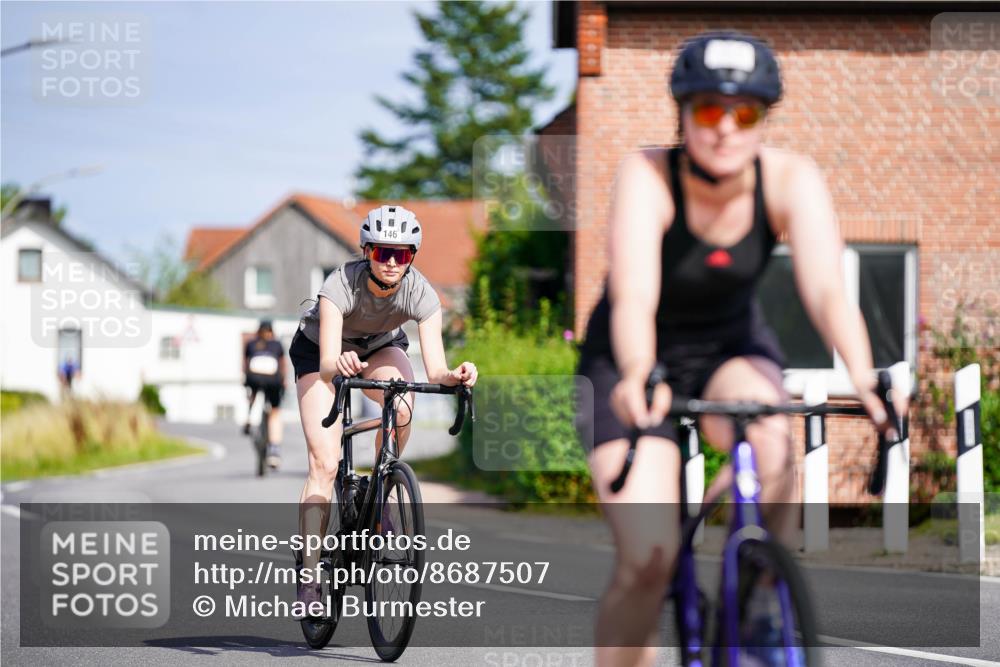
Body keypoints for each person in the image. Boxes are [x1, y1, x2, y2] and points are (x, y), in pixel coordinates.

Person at [574, 32, 907, 666]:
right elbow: (636, 294)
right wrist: (641, 371)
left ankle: (757, 596)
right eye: (708, 110)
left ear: (763, 119)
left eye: (745, 113)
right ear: (683, 113)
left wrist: (866, 379)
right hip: (628, 357)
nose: (725, 128)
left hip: (730, 347)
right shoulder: (647, 174)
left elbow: (828, 291)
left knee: (776, 448)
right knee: (648, 556)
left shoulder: (789, 178)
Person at [291, 204, 478, 605]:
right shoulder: (339, 284)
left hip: (379, 348)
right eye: (382, 252)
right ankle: (309, 573)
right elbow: (327, 364)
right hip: (320, 355)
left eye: (403, 254)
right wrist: (336, 364)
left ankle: (383, 486)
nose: (392, 262)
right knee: (324, 463)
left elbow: (436, 369)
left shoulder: (421, 293)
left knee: (403, 404)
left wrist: (457, 375)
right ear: (366, 250)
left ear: (412, 256)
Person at [243, 320, 287, 468]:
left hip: (254, 378)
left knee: (253, 393)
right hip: (273, 380)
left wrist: (246, 380)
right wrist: (284, 381)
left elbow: (246, 364)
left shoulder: (251, 344)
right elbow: (282, 365)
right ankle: (274, 451)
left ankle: (249, 418)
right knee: (275, 412)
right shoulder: (276, 344)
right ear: (271, 332)